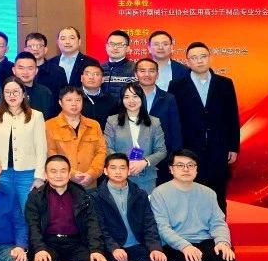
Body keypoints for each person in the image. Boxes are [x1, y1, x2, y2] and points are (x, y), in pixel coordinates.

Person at [150, 149, 239, 261]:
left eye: (190, 165)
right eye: (180, 165)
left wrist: (223, 242)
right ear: (171, 169)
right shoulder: (160, 193)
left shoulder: (208, 193)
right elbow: (162, 228)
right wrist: (184, 246)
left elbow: (218, 222)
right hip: (174, 242)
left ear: (196, 169)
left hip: (204, 239)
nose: (186, 169)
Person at [91, 153, 175, 261]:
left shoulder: (139, 194)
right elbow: (99, 228)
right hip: (113, 247)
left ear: (129, 170)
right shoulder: (96, 196)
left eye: (122, 168)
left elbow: (149, 223)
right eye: (113, 168)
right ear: (105, 171)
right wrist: (113, 248)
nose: (118, 171)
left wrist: (155, 248)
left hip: (138, 245)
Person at [168, 43, 240, 213]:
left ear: (210, 58)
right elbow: (175, 119)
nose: (199, 61)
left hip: (219, 147)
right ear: (188, 61)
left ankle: (219, 228)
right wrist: (177, 149)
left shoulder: (224, 83)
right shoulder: (177, 85)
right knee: (190, 192)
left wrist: (233, 147)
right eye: (194, 58)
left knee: (218, 193)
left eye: (203, 56)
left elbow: (232, 116)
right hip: (189, 148)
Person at [0, 77, 48, 207]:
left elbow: (41, 148)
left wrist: (39, 177)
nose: (12, 95)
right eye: (7, 92)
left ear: (23, 94)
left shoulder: (36, 116)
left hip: (27, 174)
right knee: (4, 211)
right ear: (3, 95)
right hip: (1, 173)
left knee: (25, 211)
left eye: (16, 91)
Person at [103, 83, 168, 194]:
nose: (131, 101)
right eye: (126, 97)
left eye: (135, 96)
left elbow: (161, 151)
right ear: (122, 100)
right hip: (119, 176)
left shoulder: (154, 122)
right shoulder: (112, 121)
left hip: (146, 178)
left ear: (141, 98)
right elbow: (107, 147)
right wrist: (123, 164)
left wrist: (145, 162)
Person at [45, 87, 106, 187]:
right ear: (60, 103)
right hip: (61, 184)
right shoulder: (49, 125)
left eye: (78, 100)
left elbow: (101, 152)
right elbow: (51, 154)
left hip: (89, 182)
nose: (74, 104)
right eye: (69, 100)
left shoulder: (94, 125)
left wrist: (92, 174)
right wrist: (72, 174)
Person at [135, 57, 183, 185]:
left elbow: (175, 129)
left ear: (157, 74)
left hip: (162, 157)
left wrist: (175, 157)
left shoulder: (168, 98)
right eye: (142, 71)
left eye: (151, 71)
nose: (147, 74)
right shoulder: (127, 97)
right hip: (134, 156)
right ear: (136, 74)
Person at [44, 27, 101, 93]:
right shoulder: (49, 64)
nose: (67, 42)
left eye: (72, 38)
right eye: (63, 38)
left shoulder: (91, 63)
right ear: (58, 43)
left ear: (79, 42)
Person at [12, 51, 59, 116]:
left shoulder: (45, 92)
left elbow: (50, 117)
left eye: (30, 68)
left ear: (36, 71)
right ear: (14, 70)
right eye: (21, 68)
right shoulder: (7, 92)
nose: (25, 72)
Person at [100, 30, 137, 98]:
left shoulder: (135, 69)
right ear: (106, 46)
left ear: (128, 48)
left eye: (120, 45)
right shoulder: (99, 69)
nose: (115, 48)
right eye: (112, 44)